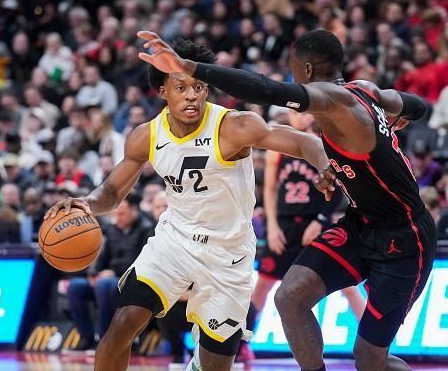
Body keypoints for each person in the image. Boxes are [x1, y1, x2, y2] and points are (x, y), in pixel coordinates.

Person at [138, 28, 437, 371]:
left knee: (370, 360)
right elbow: (419, 106)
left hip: (405, 237)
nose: (292, 77)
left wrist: (189, 67)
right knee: (289, 297)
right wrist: (399, 119)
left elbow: (266, 89)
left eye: (293, 69)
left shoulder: (333, 98)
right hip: (362, 223)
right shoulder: (364, 90)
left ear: (306, 71)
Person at [45, 38, 333, 371]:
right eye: (180, 87)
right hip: (175, 242)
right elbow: (111, 191)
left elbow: (303, 140)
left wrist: (323, 162)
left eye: (198, 86)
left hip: (229, 253)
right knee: (123, 323)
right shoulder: (146, 135)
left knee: (214, 364)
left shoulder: (234, 127)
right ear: (163, 91)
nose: (191, 94)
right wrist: (86, 203)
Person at [238, 110, 366, 362]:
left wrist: (319, 221)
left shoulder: (324, 145)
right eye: (293, 113)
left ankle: (374, 342)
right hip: (285, 225)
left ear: (312, 115)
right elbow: (271, 190)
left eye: (302, 112)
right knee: (262, 285)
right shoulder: (279, 146)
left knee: (348, 284)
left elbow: (339, 189)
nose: (298, 117)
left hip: (314, 221)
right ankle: (242, 342)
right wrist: (272, 226)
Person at [65, 192, 153, 352]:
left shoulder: (147, 229)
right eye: (115, 214)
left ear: (134, 210)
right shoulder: (112, 230)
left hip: (132, 282)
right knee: (75, 287)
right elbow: (101, 257)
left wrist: (113, 273)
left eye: (122, 213)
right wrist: (94, 273)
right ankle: (87, 338)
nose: (117, 218)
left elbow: (144, 262)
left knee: (105, 284)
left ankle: (106, 339)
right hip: (108, 281)